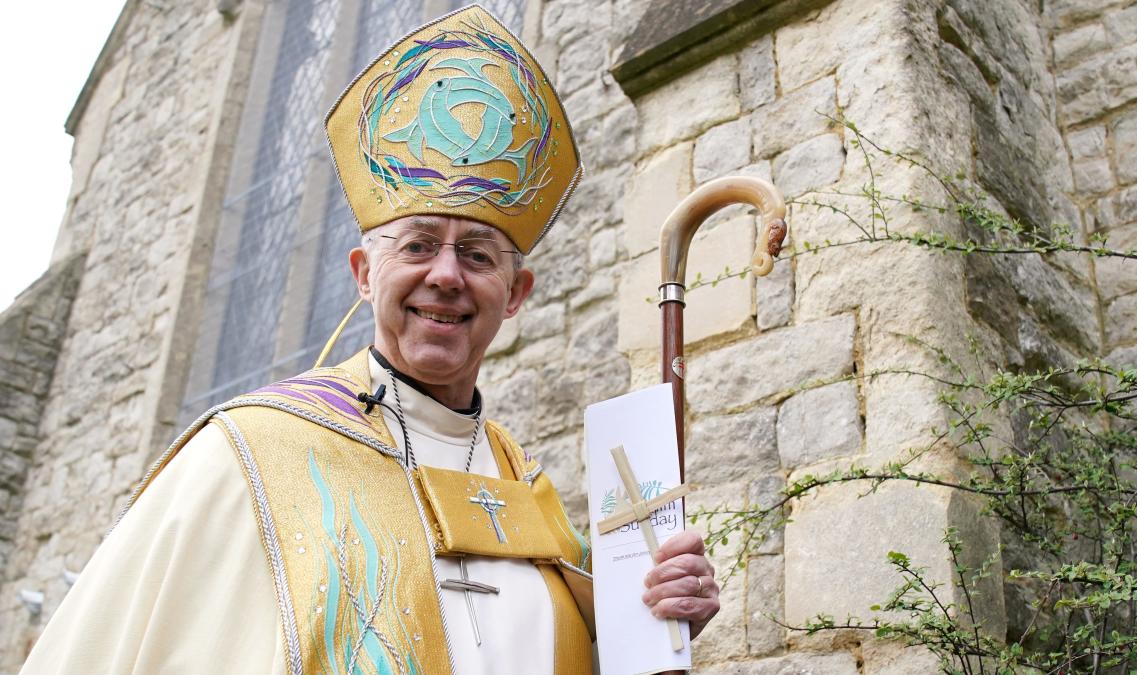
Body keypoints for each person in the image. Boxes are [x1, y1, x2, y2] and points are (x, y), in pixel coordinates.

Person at [21, 5, 719, 674]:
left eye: (477, 255)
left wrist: (655, 625)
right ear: (363, 274)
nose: (445, 275)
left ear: (516, 295)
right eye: (418, 246)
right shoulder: (246, 459)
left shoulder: (524, 486)